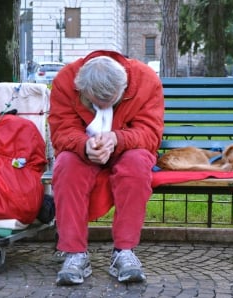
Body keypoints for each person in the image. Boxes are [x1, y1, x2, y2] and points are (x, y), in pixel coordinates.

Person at [48, 50, 164, 286]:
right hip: (82, 151)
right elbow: (61, 131)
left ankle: (124, 251)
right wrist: (84, 145)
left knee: (136, 166)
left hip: (129, 149)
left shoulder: (145, 79)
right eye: (94, 102)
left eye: (109, 103)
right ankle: (74, 253)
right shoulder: (65, 80)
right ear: (81, 88)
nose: (101, 108)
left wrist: (117, 139)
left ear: (124, 87)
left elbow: (150, 133)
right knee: (66, 165)